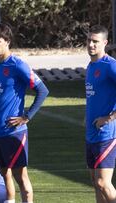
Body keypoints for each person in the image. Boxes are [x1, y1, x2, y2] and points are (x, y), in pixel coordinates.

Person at [0, 23, 49, 203]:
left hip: (13, 132)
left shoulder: (17, 65)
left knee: (21, 177)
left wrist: (27, 117)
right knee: (2, 173)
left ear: (7, 42)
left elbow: (42, 90)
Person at [85, 25, 116, 203]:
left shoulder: (110, 66)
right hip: (91, 134)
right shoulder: (91, 66)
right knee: (95, 183)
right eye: (89, 40)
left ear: (105, 43)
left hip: (107, 134)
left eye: (95, 41)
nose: (91, 44)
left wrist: (109, 117)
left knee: (103, 182)